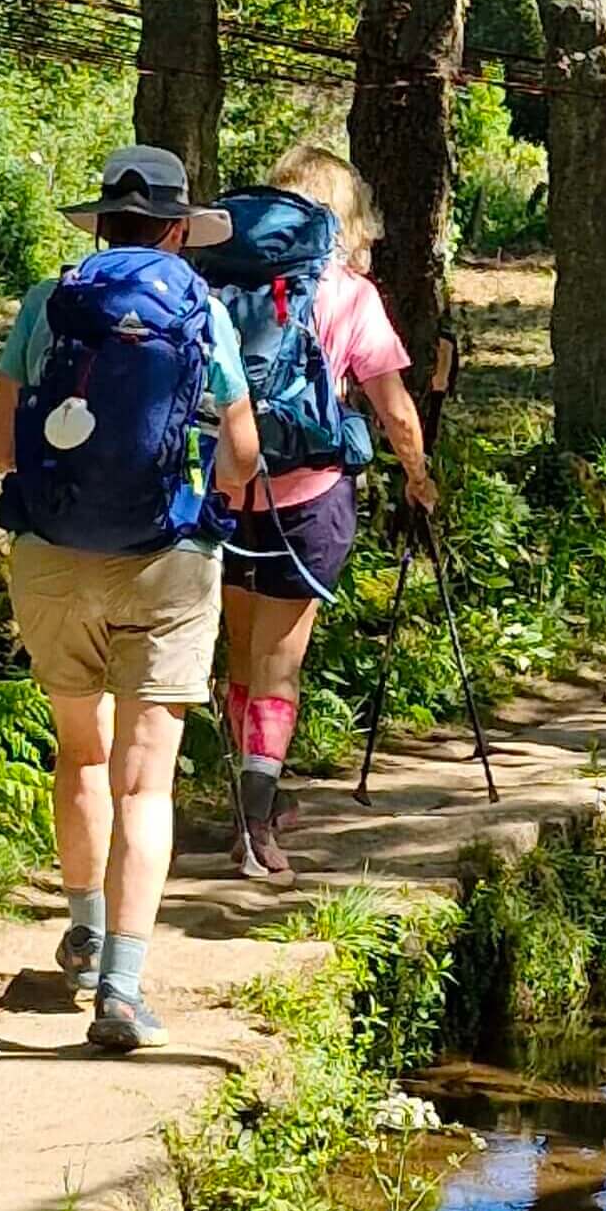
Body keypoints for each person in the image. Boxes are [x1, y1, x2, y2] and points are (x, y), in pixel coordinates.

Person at [0, 145, 262, 1053]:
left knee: (83, 753)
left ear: (101, 221)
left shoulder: (48, 302)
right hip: (170, 560)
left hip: (53, 558)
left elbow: (1, 449)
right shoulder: (204, 311)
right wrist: (211, 503)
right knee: (148, 776)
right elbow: (243, 447)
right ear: (180, 230)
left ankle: (83, 927)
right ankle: (123, 988)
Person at [214, 145, 437, 880]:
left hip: (222, 488)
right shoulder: (347, 294)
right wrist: (418, 477)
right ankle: (255, 828)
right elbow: (396, 412)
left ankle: (257, 802)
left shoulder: (222, 279)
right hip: (306, 499)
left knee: (240, 656)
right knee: (279, 666)